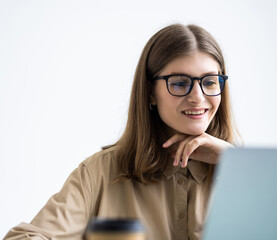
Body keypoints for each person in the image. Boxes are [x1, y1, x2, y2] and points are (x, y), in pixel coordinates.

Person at [4, 23, 239, 240]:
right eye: (179, 83)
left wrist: (235, 163)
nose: (197, 97)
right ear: (149, 93)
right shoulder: (99, 173)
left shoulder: (243, 171)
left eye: (209, 82)